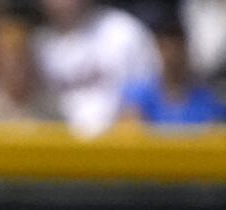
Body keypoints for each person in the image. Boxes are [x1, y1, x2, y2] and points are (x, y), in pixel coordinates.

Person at [34, 0, 161, 135]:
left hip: (119, 145)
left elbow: (153, 95)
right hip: (54, 147)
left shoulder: (124, 32)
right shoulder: (37, 44)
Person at [119, 12, 226, 126]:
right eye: (167, 47)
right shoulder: (138, 94)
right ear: (158, 48)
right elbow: (129, 130)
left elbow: (216, 132)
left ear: (186, 48)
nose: (173, 55)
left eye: (177, 47)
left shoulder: (208, 99)